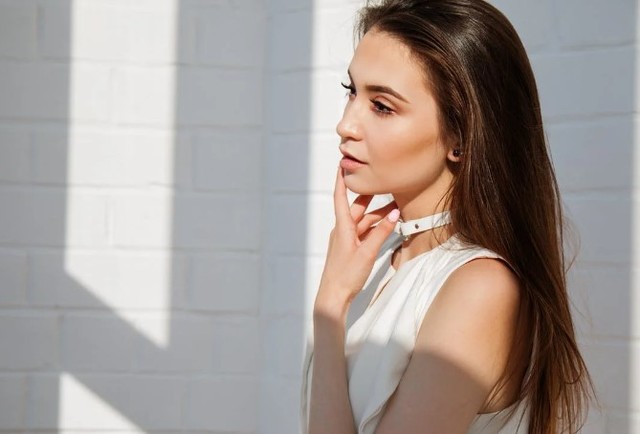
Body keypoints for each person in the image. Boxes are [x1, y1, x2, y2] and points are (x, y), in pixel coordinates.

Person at [300, 0, 593, 433]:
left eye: (382, 106)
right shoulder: (385, 261)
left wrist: (330, 305)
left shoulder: (480, 288)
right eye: (352, 91)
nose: (347, 125)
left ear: (460, 136)